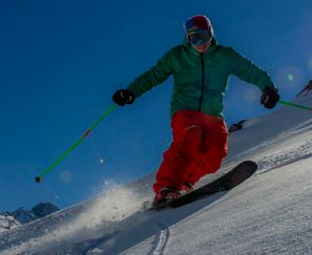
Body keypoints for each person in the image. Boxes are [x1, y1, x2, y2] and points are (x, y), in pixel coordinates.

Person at [112, 15, 279, 207]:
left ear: (211, 34)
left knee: (215, 155)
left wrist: (268, 87)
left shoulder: (225, 55)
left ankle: (184, 184)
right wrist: (131, 92)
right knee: (189, 135)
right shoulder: (177, 56)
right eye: (194, 38)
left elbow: (250, 71)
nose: (200, 43)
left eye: (204, 36)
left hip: (213, 113)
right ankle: (166, 188)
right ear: (187, 39)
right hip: (185, 110)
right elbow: (152, 76)